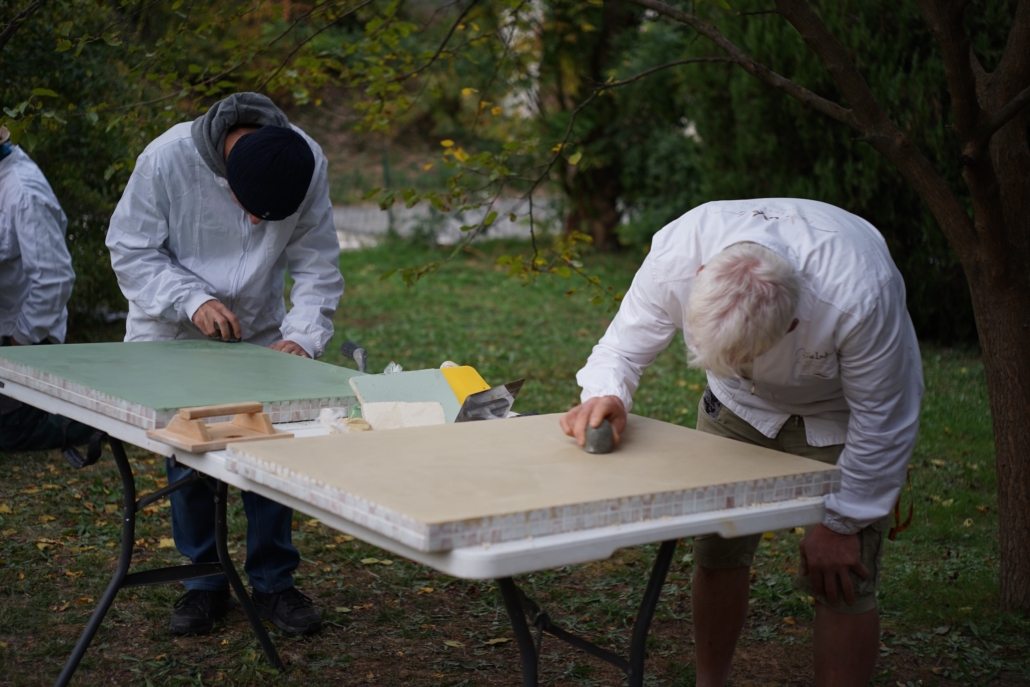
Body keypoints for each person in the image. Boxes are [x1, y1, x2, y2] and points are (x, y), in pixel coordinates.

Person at [560, 199, 924, 687]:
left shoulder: (860, 293)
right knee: (717, 551)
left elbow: (884, 419)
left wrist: (843, 524)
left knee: (842, 576)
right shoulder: (679, 251)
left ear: (792, 324)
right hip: (734, 407)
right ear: (700, 277)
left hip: (840, 416)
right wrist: (606, 394)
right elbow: (622, 348)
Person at [106, 93, 344, 636]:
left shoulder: (304, 160)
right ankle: (203, 581)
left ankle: (274, 583)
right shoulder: (165, 159)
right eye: (250, 208)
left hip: (260, 331)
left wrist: (302, 337)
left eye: (268, 218)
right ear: (225, 172)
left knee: (270, 450)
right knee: (190, 454)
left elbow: (317, 260)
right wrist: (192, 300)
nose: (257, 222)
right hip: (173, 329)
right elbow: (132, 249)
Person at [0, 125, 96, 453]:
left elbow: (54, 280)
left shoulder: (23, 192)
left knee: (10, 431)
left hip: (24, 335)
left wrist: (18, 341)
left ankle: (96, 419)